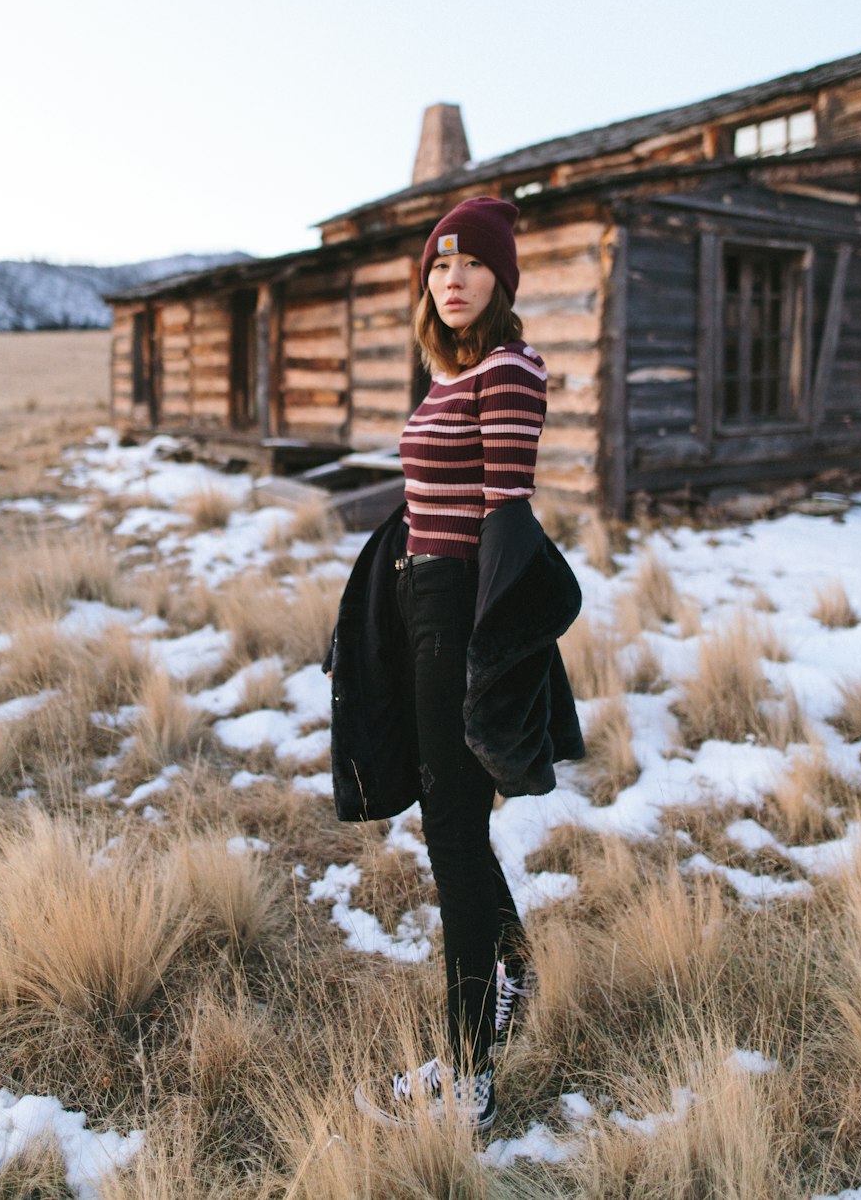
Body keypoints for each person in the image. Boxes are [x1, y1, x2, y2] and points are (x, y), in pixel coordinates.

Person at [326, 195, 583, 1132]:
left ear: (502, 279)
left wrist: (490, 657)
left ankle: (469, 1075)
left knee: (452, 835)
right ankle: (513, 977)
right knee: (454, 826)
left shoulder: (509, 371)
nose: (453, 278)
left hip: (459, 616)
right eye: (439, 265)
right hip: (420, 605)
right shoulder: (451, 373)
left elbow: (506, 516)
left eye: (472, 264)